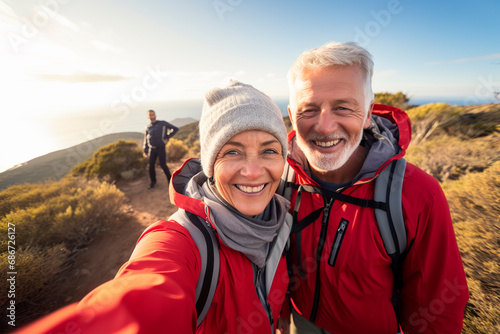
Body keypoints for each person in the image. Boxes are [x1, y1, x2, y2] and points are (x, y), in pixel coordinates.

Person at [14, 80, 292, 334]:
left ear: (283, 158)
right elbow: (142, 298)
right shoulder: (183, 242)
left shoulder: (284, 218)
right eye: (232, 151)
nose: (254, 172)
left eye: (269, 150)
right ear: (209, 164)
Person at [283, 41, 469, 333]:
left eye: (343, 107)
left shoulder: (416, 193)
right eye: (310, 109)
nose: (325, 126)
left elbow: (437, 305)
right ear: (292, 116)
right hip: (299, 323)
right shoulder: (277, 179)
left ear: (369, 113)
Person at [143, 109, 179, 189]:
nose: (151, 116)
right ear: (148, 116)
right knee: (151, 167)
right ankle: (153, 182)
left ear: (155, 115)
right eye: (150, 115)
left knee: (163, 165)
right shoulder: (148, 127)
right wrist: (145, 150)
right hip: (152, 149)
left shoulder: (162, 123)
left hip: (161, 148)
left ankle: (170, 181)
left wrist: (167, 136)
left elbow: (175, 129)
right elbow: (146, 139)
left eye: (152, 114)